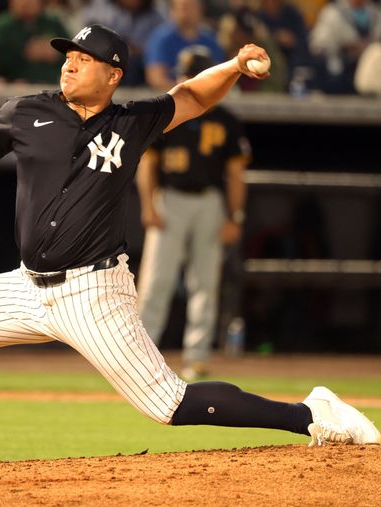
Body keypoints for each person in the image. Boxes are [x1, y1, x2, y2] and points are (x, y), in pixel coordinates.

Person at [0, 24, 381, 474]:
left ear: (112, 74)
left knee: (169, 404)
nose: (70, 64)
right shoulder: (27, 112)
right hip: (26, 284)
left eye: (85, 58)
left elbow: (192, 96)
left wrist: (232, 64)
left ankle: (312, 415)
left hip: (96, 291)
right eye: (68, 55)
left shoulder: (131, 122)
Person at [136, 47, 250, 381]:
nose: (185, 80)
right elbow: (148, 162)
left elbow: (235, 175)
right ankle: (142, 357)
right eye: (183, 73)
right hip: (171, 198)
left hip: (209, 202)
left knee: (205, 282)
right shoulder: (166, 113)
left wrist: (235, 216)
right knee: (157, 281)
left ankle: (197, 357)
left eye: (192, 73)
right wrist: (148, 205)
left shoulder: (226, 119)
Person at [309, 0, 381, 94]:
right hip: (341, 66)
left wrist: (368, 46)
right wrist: (345, 46)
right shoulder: (332, 13)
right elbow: (317, 44)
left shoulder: (380, 14)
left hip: (369, 64)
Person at [144, 0, 225, 90]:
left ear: (201, 10)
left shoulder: (210, 41)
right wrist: (185, 91)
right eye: (184, 8)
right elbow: (156, 78)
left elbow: (220, 75)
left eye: (192, 8)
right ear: (173, 11)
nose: (188, 13)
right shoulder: (161, 39)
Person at [0, 0, 70, 84]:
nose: (25, 2)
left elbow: (73, 51)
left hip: (52, 82)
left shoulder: (53, 23)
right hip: (15, 83)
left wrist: (56, 52)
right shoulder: (0, 26)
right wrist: (24, 52)